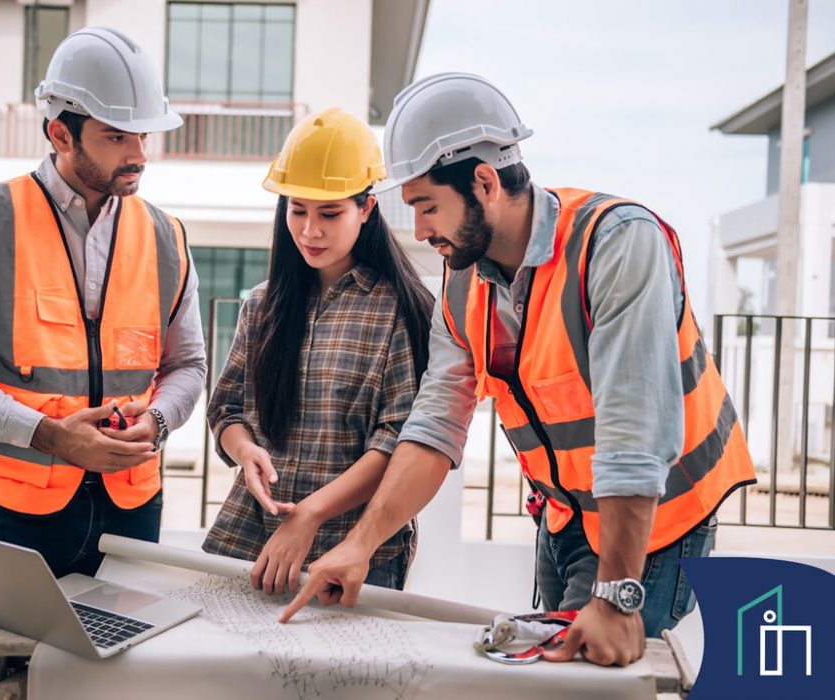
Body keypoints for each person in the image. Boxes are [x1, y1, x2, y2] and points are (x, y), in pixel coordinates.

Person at [281, 73, 756, 667]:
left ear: (485, 182)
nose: (421, 231)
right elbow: (433, 428)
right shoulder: (462, 279)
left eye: (428, 207)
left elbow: (633, 434)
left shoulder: (617, 243)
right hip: (563, 521)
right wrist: (359, 545)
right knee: (550, 675)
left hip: (655, 525)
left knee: (599, 673)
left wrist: (615, 597)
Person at [0, 27, 206, 699]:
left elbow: (189, 365)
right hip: (13, 513)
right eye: (116, 136)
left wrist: (157, 423)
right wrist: (48, 435)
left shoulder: (165, 235)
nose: (137, 155)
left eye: (143, 136)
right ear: (60, 133)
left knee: (112, 688)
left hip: (133, 514)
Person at [201, 107, 434, 594]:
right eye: (297, 210)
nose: (310, 231)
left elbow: (397, 443)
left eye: (330, 214)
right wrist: (246, 453)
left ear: (367, 208)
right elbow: (226, 409)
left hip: (353, 551)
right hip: (252, 539)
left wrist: (309, 515)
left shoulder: (400, 311)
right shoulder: (263, 305)